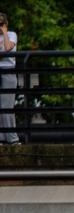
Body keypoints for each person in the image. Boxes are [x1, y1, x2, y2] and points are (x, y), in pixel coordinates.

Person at [0, 12, 18, 145]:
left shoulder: (12, 34)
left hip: (8, 72)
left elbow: (7, 47)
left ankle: (12, 138)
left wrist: (4, 32)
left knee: (7, 106)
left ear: (5, 24)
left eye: (1, 23)